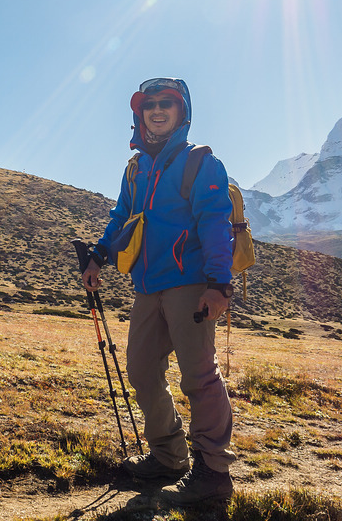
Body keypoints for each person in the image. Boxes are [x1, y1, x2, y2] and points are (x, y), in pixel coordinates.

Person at [81, 77, 236, 506]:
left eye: (167, 102)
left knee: (199, 379)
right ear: (140, 113)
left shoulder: (200, 163)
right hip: (147, 288)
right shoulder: (136, 169)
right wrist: (98, 256)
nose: (157, 109)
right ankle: (169, 457)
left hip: (190, 285)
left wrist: (219, 285)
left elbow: (215, 223)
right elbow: (121, 218)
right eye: (149, 104)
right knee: (142, 372)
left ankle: (213, 474)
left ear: (182, 111)